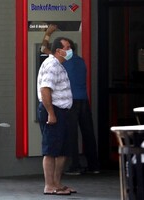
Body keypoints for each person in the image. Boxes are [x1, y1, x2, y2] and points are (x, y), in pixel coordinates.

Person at [41, 25, 100, 175]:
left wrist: (48, 34)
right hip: (84, 100)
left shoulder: (62, 61)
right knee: (88, 133)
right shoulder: (80, 61)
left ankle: (75, 166)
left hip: (70, 102)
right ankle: (94, 166)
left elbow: (43, 50)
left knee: (71, 134)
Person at [37, 37, 76, 195]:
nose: (69, 50)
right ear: (58, 50)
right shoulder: (52, 65)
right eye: (67, 47)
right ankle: (49, 185)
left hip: (63, 111)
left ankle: (57, 183)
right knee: (51, 150)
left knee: (63, 150)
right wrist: (51, 114)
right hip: (54, 111)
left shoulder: (59, 65)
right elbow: (45, 90)